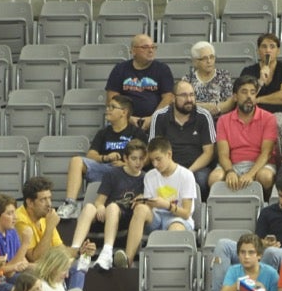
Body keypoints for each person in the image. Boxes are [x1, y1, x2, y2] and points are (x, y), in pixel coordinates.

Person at [208, 166, 282, 288]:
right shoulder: (268, 212)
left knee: (272, 252)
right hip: (266, 252)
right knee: (223, 245)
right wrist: (264, 243)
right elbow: (257, 240)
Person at [57, 95, 147, 219]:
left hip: (126, 172)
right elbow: (91, 154)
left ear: (124, 112)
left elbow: (145, 158)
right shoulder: (103, 133)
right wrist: (105, 158)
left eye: (112, 107)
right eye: (108, 106)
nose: (107, 109)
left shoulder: (137, 133)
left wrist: (126, 165)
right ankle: (70, 204)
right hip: (105, 169)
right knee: (76, 161)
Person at [118, 137, 197, 268]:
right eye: (152, 160)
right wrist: (142, 200)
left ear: (169, 154)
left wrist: (167, 205)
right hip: (157, 217)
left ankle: (166, 269)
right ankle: (127, 261)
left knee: (175, 228)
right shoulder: (150, 175)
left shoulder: (186, 175)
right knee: (140, 209)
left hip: (179, 219)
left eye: (158, 159)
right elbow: (149, 204)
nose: (155, 164)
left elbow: (187, 213)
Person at [70, 139, 147, 272]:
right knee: (89, 207)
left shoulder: (146, 178)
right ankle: (74, 250)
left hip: (127, 218)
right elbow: (100, 200)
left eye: (141, 159)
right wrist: (99, 206)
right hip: (107, 217)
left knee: (112, 207)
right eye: (134, 158)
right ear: (125, 158)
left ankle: (107, 252)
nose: (138, 162)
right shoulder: (113, 174)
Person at [15, 176, 95, 286]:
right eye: (43, 200)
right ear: (30, 203)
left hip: (47, 267)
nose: (49, 204)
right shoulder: (20, 220)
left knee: (79, 266)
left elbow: (60, 250)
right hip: (30, 272)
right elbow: (34, 258)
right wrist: (50, 227)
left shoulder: (44, 216)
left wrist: (80, 251)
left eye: (49, 198)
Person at [149, 79, 220, 192]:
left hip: (196, 168)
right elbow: (155, 149)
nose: (189, 99)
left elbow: (209, 153)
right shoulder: (160, 116)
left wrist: (187, 172)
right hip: (167, 165)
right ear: (173, 98)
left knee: (200, 180)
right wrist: (171, 170)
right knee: (153, 179)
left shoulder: (203, 116)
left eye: (192, 95)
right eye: (184, 95)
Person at [215, 75, 278, 194]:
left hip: (260, 165)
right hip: (233, 164)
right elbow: (223, 154)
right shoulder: (223, 120)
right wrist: (230, 171)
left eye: (253, 93)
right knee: (215, 178)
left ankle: (264, 206)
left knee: (265, 177)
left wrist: (250, 174)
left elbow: (267, 153)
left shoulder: (268, 118)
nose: (249, 96)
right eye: (244, 92)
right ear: (235, 97)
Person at [105, 34, 174, 132]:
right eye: (145, 47)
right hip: (124, 121)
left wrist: (153, 118)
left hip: (156, 122)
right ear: (133, 51)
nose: (151, 50)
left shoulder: (162, 69)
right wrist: (128, 118)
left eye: (153, 47)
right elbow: (111, 98)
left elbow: (169, 98)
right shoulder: (120, 69)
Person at [239, 33, 282, 135]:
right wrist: (260, 82)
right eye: (264, 46)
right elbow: (244, 97)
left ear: (278, 51)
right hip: (254, 114)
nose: (268, 50)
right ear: (258, 51)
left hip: (281, 114)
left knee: (276, 123)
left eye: (272, 46)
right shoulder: (248, 71)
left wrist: (258, 99)